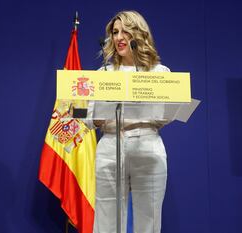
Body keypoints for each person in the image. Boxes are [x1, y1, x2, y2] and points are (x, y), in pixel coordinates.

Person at [91, 11, 170, 233]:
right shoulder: (104, 73)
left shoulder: (159, 72)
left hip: (147, 145)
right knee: (106, 219)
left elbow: (165, 115)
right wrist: (95, 114)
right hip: (110, 145)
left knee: (149, 219)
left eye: (125, 31)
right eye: (115, 32)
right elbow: (91, 118)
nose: (118, 37)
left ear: (139, 34)